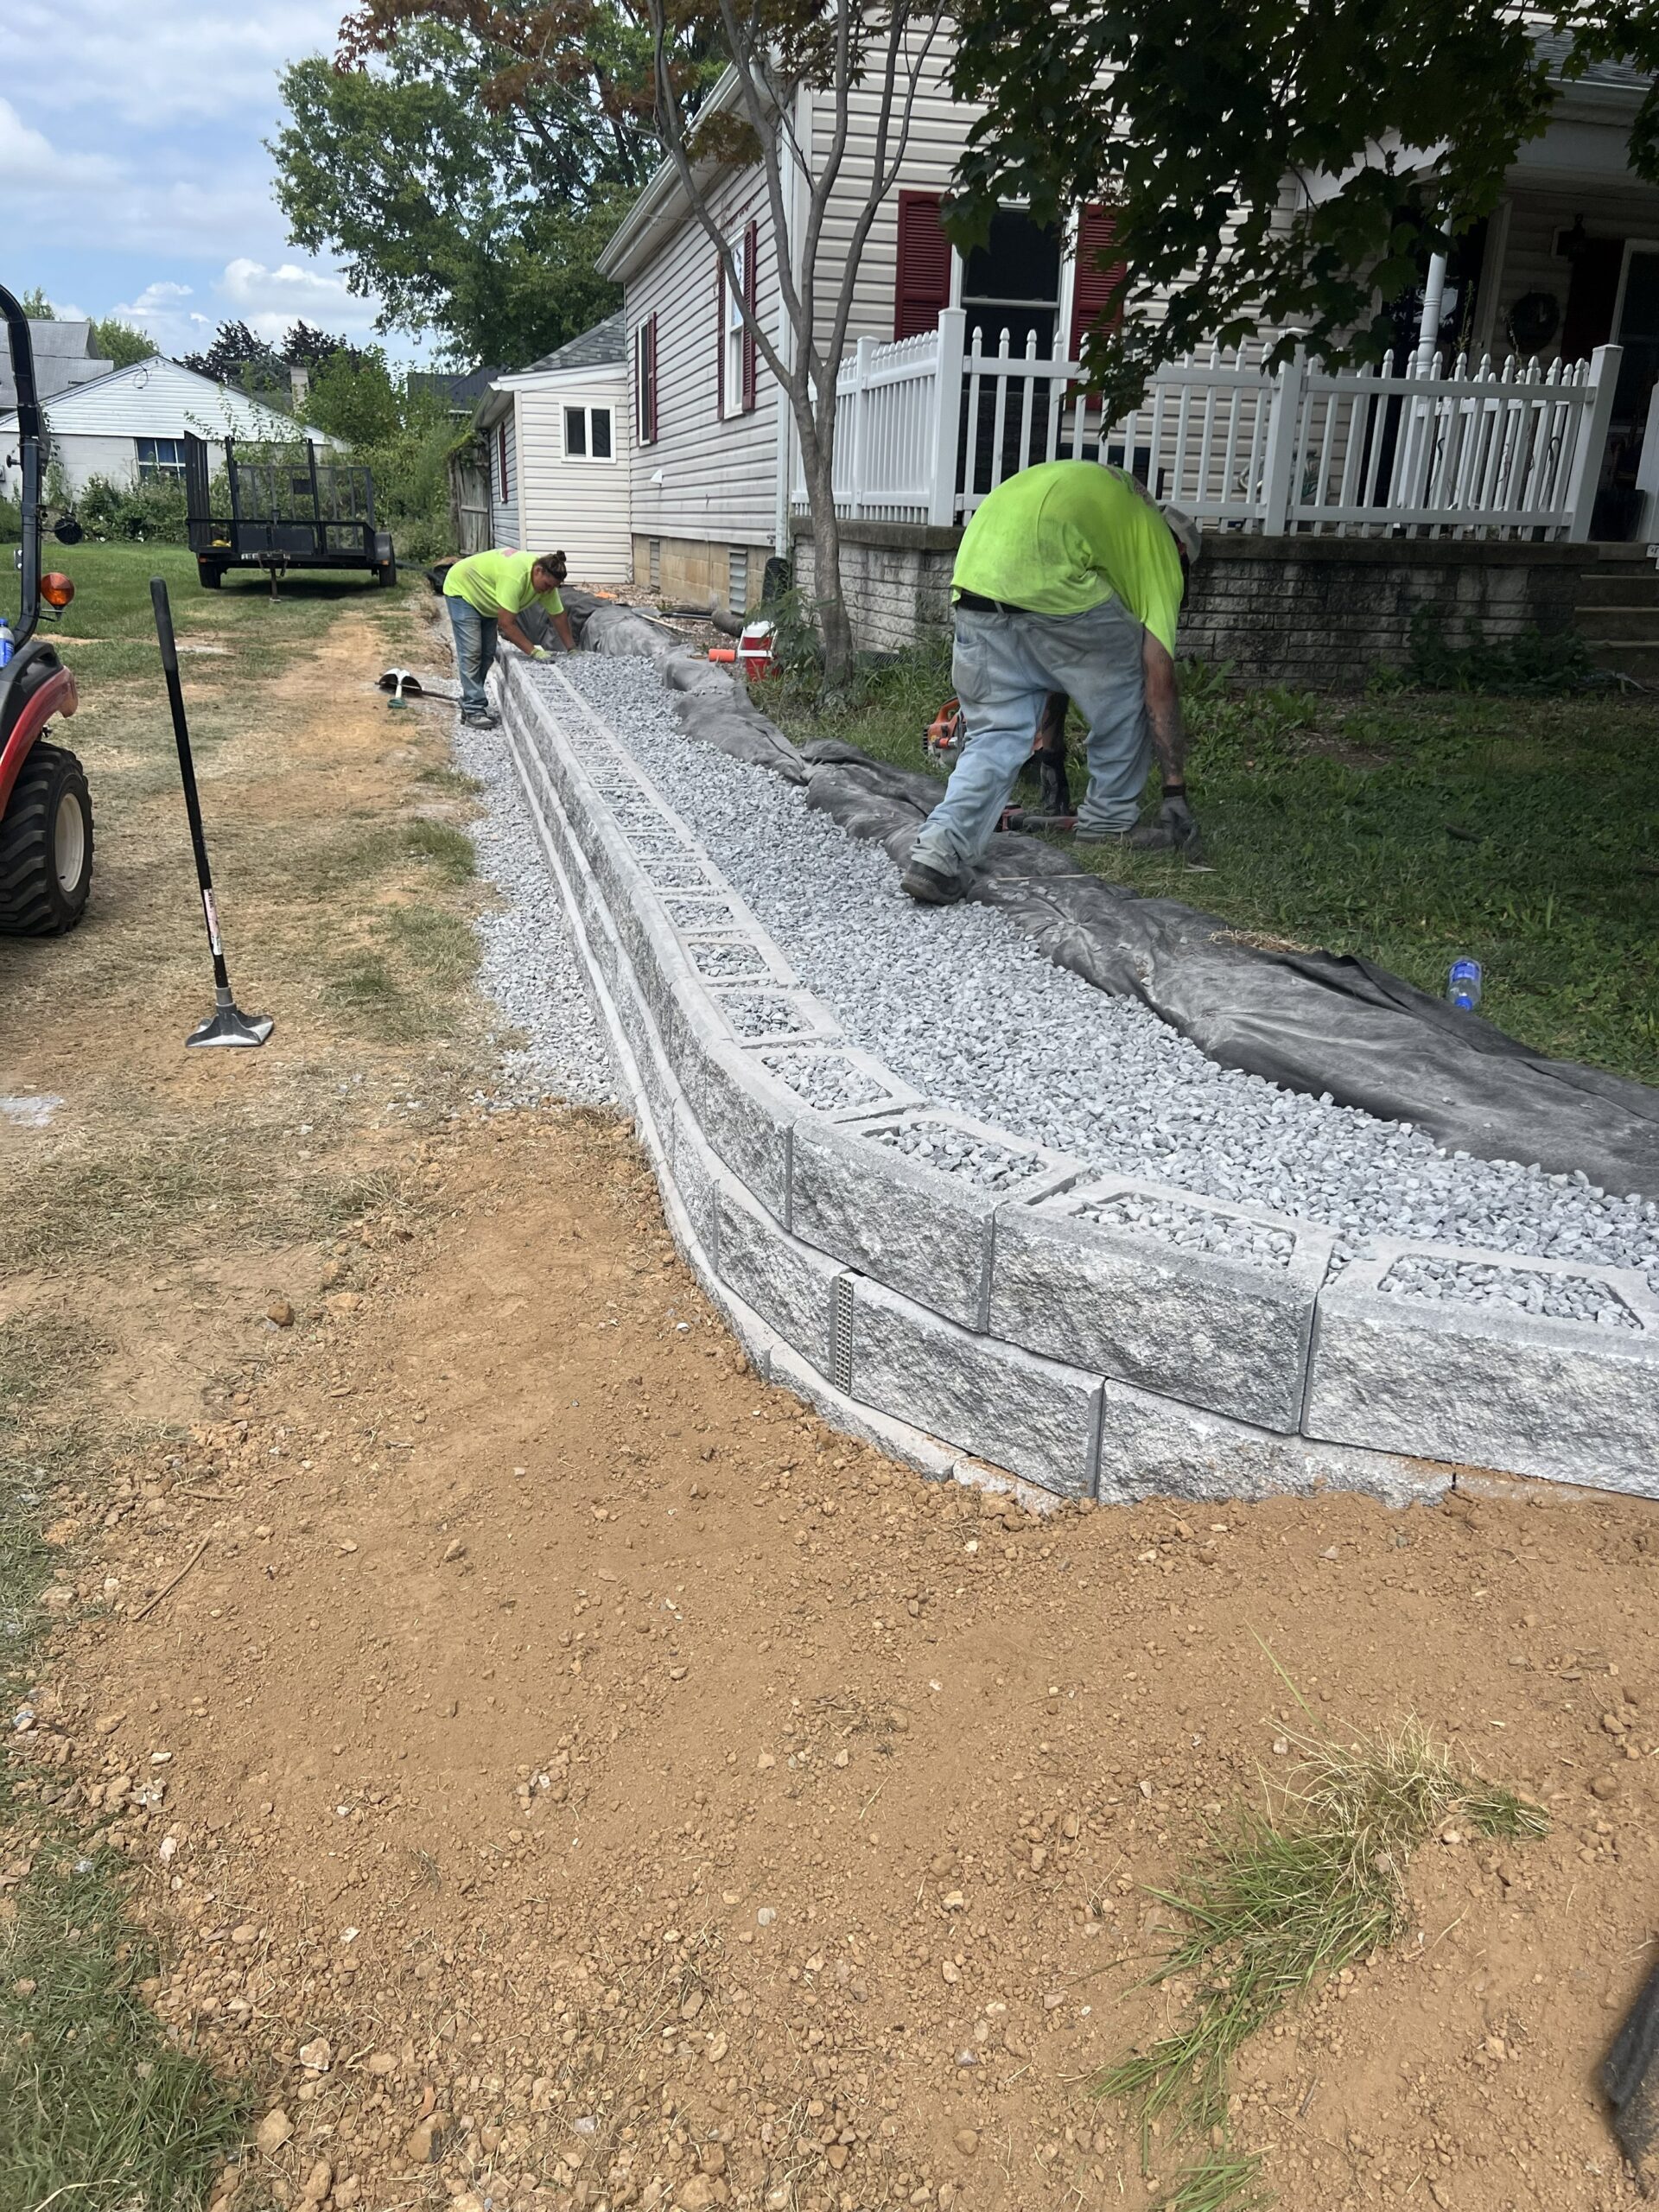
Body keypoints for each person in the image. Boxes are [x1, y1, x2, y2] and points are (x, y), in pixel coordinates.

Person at [901, 462, 1202, 905]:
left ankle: (937, 853)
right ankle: (1109, 821)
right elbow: (1159, 688)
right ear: (1180, 550)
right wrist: (1174, 790)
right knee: (1133, 688)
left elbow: (1057, 663)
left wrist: (1052, 755)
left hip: (977, 573)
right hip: (1051, 579)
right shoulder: (1159, 549)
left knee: (995, 733)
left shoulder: (1108, 509)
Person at [442, 549, 575, 728]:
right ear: (538, 571)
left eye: (553, 587)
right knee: (472, 651)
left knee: (487, 653)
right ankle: (474, 708)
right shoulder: (515, 577)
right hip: (463, 590)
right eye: (547, 585)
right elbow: (506, 624)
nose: (548, 590)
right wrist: (533, 651)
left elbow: (558, 616)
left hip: (486, 599)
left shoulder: (546, 585)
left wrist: (572, 649)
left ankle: (471, 702)